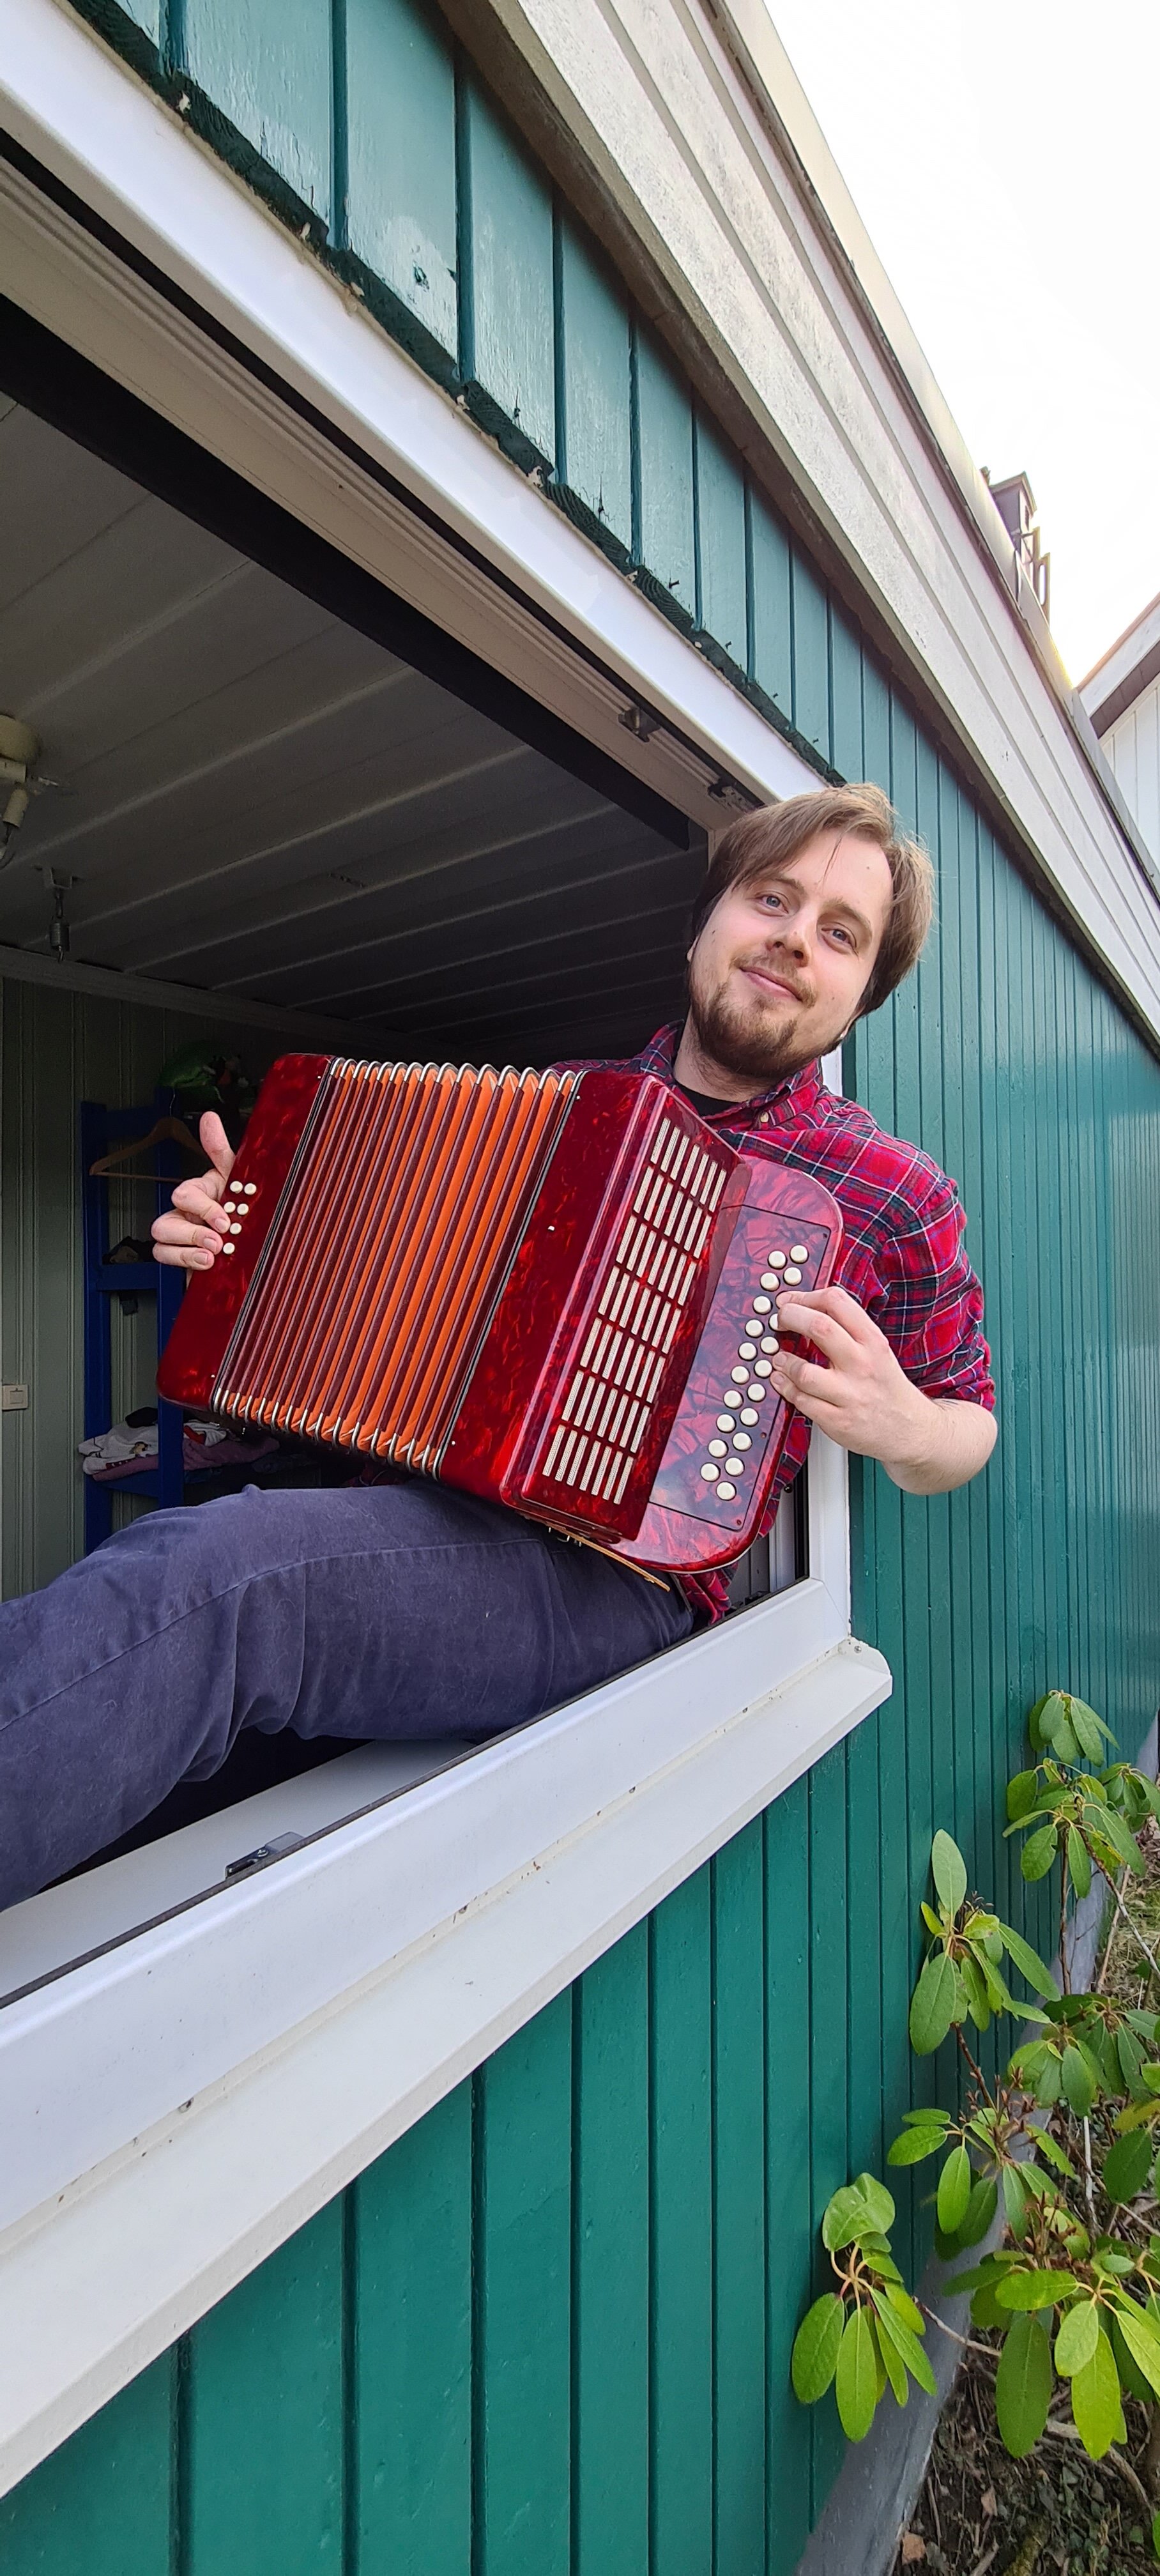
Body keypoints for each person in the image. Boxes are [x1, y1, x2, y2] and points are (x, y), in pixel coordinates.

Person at [0, 784, 995, 1905]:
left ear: (863, 992)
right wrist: (240, 1249)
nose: (793, 942)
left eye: (840, 934)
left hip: (616, 1574)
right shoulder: (559, 1106)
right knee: (168, 1731)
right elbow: (364, 1289)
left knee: (218, 1581)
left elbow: (968, 1422)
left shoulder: (890, 1194)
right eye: (774, 898)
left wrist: (906, 1425)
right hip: (422, 1506)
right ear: (708, 919)